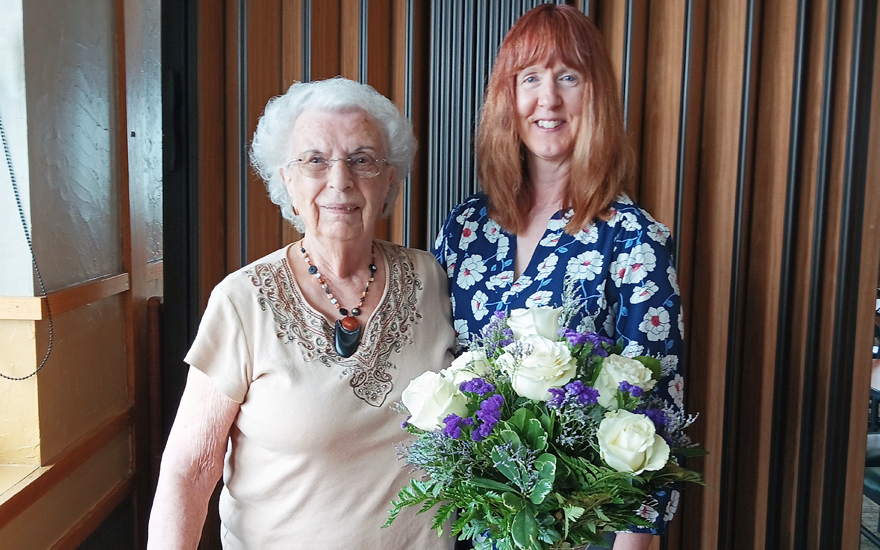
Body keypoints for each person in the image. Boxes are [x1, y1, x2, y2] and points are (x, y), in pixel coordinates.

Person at [148, 77, 456, 549]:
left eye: (361, 160)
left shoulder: (432, 280)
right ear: (286, 180)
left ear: (389, 177)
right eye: (315, 160)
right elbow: (190, 469)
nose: (340, 180)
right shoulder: (242, 301)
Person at [433, 5, 684, 550]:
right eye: (530, 79)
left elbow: (657, 410)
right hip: (473, 526)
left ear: (594, 95)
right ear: (508, 98)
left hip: (586, 533)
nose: (548, 99)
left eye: (568, 76)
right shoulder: (465, 229)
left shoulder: (635, 240)